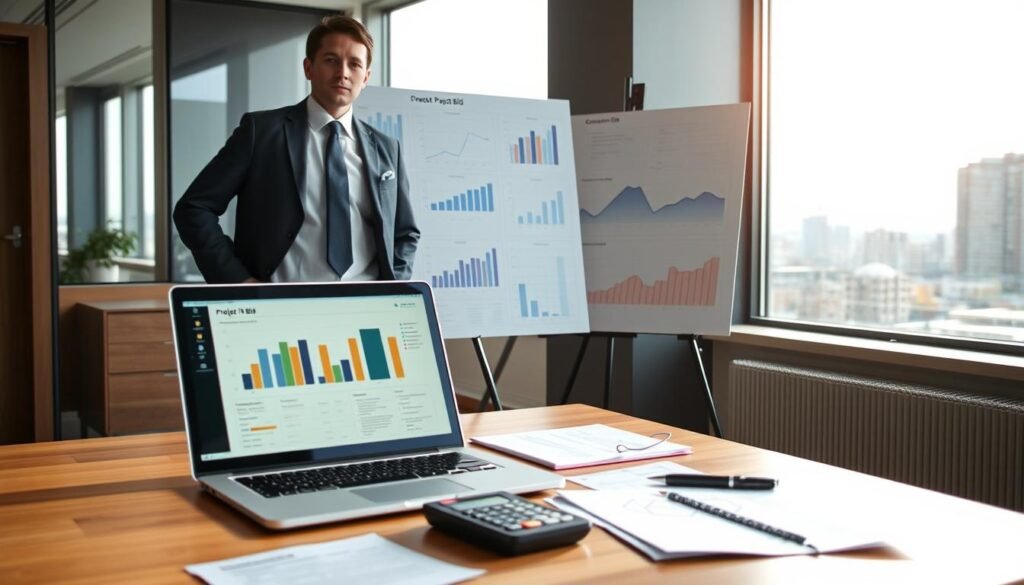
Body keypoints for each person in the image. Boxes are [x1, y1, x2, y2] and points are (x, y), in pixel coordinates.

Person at [173, 15, 419, 283]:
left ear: (366, 77)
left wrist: (394, 288)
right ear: (308, 68)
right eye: (331, 60)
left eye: (355, 64)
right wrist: (237, 281)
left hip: (365, 307)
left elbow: (404, 233)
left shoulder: (386, 148)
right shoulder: (262, 132)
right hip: (282, 307)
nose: (343, 73)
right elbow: (194, 208)